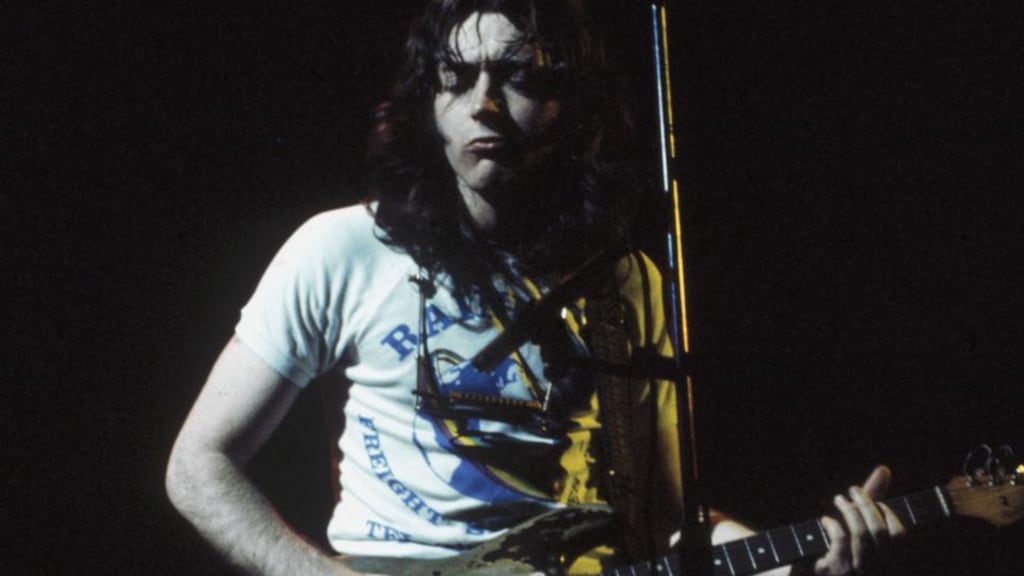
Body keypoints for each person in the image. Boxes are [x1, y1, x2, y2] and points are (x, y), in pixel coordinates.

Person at [166, 1, 904, 575]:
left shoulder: (628, 283)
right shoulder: (345, 249)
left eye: (517, 76)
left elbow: (670, 520)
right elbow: (198, 465)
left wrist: (791, 553)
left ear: (570, 102)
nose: (483, 103)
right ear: (429, 99)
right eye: (457, 77)